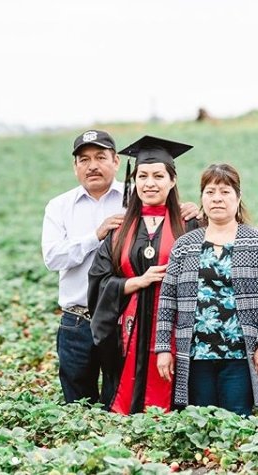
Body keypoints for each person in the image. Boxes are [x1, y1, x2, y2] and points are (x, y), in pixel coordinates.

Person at [42, 131, 199, 405]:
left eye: (100, 157)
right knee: (81, 401)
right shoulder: (60, 207)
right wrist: (97, 235)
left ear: (116, 161)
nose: (93, 165)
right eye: (84, 159)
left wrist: (190, 211)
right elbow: (53, 258)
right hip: (79, 319)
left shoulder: (133, 201)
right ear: (75, 166)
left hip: (130, 325)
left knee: (123, 392)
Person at [155, 163, 258, 416]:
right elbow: (167, 300)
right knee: (200, 420)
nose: (217, 198)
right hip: (195, 354)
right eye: (210, 192)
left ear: (238, 197)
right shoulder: (185, 245)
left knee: (237, 418)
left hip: (239, 354)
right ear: (202, 197)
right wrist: (162, 349)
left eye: (225, 192)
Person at [87, 135, 197, 413]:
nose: (150, 183)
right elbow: (99, 281)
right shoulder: (119, 229)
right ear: (134, 181)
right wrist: (136, 282)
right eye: (143, 176)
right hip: (128, 331)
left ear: (172, 181)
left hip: (176, 329)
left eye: (159, 176)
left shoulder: (191, 224)